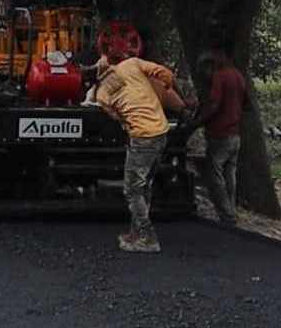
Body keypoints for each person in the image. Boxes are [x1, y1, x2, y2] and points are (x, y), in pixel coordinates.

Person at [93, 46, 178, 254]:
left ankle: (148, 238)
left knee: (132, 190)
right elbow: (163, 72)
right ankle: (135, 233)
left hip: (141, 137)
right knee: (144, 186)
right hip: (160, 132)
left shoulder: (102, 91)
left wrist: (124, 120)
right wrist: (167, 86)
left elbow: (112, 113)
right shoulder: (133, 64)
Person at [192, 48, 247, 226]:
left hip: (220, 134)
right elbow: (246, 103)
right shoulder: (238, 75)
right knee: (230, 174)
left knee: (214, 174)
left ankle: (226, 214)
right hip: (235, 134)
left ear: (212, 64)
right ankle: (230, 210)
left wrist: (198, 122)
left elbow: (214, 105)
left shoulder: (220, 76)